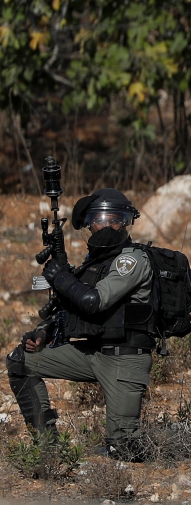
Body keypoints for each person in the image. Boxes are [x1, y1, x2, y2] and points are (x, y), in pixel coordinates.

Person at [6, 188, 156, 461]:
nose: (108, 226)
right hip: (91, 353)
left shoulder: (131, 260)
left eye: (116, 219)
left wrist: (60, 278)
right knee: (21, 361)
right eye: (101, 220)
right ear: (90, 225)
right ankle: (48, 448)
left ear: (127, 223)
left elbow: (93, 301)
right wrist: (43, 332)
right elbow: (68, 308)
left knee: (125, 450)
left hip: (125, 359)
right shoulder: (93, 263)